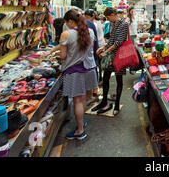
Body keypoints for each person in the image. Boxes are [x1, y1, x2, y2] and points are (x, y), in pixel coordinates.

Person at [42, 10, 97, 140]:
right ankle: (81, 121)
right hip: (89, 69)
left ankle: (80, 131)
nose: (65, 25)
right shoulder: (90, 32)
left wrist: (56, 55)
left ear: (71, 21)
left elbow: (63, 55)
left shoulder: (66, 34)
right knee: (83, 100)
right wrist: (50, 51)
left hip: (74, 71)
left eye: (66, 22)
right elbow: (87, 49)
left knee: (77, 101)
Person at [92, 8, 128, 115]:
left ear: (113, 14)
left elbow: (119, 42)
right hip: (110, 55)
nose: (107, 19)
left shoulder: (123, 24)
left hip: (120, 56)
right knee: (106, 77)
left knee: (119, 79)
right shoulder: (113, 23)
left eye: (108, 17)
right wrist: (103, 47)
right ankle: (103, 102)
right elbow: (111, 40)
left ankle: (117, 104)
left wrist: (105, 51)